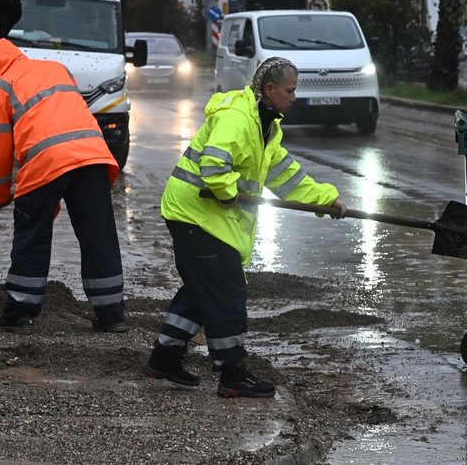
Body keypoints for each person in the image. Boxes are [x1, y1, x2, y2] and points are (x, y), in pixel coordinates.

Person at [142, 57, 347, 398]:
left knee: (200, 289)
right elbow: (213, 163)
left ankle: (164, 358)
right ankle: (232, 372)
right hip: (196, 214)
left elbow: (285, 175)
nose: (294, 97)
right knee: (227, 291)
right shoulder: (237, 118)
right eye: (290, 90)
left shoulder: (266, 126)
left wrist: (325, 201)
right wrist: (226, 194)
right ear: (269, 90)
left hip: (204, 216)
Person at [0, 38, 126, 334]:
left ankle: (20, 310)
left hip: (47, 160)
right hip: (92, 154)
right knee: (99, 236)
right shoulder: (56, 69)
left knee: (32, 234)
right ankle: (111, 315)